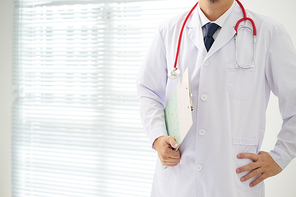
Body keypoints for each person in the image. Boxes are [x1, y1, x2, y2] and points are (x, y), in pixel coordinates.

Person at [136, 0, 296, 196]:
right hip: (177, 182)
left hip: (232, 182)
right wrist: (158, 136)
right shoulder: (168, 31)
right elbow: (148, 91)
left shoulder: (269, 33)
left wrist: (280, 157)